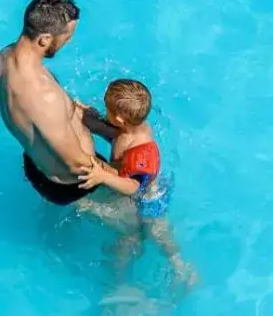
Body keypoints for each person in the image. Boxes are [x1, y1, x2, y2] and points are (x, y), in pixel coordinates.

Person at [0, 0, 115, 206]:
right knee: (141, 220)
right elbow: (76, 164)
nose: (70, 40)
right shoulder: (43, 96)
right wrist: (119, 176)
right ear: (44, 39)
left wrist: (73, 111)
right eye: (67, 36)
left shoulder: (3, 59)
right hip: (74, 182)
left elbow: (37, 118)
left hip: (36, 166)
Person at [78, 79, 198, 288]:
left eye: (106, 109)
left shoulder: (142, 150)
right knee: (132, 237)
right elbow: (112, 133)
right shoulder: (131, 127)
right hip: (133, 178)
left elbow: (133, 187)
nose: (104, 111)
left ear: (119, 119)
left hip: (149, 196)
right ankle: (122, 278)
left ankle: (180, 267)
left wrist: (103, 176)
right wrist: (86, 117)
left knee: (156, 230)